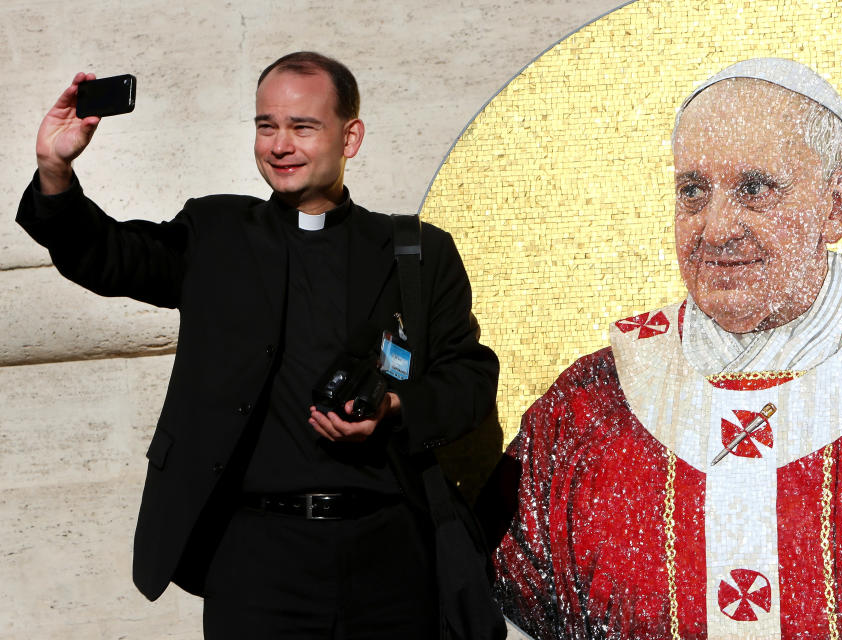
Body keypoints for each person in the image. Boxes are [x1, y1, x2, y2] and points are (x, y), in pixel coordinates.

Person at [17, 52, 505, 640]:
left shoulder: (417, 251)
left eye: (303, 127)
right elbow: (108, 256)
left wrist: (395, 410)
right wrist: (54, 171)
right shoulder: (216, 233)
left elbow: (470, 378)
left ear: (350, 137)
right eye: (265, 125)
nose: (280, 145)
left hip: (389, 552)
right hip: (255, 557)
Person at [489, 58, 842, 639]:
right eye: (693, 191)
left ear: (838, 203)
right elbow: (494, 610)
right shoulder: (586, 408)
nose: (714, 229)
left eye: (754, 188)